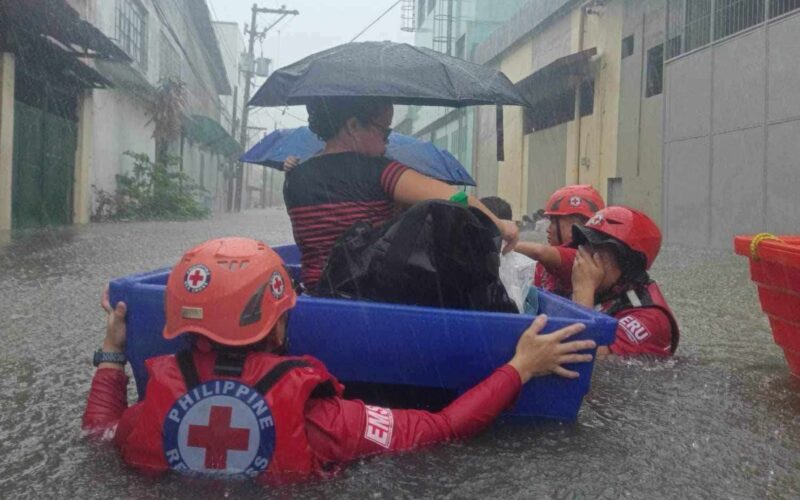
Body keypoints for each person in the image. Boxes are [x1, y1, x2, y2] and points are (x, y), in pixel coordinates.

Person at [83, 237, 596, 483]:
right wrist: (520, 367)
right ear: (278, 321)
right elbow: (443, 428)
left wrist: (112, 354)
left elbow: (98, 433)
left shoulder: (144, 418)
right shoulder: (321, 420)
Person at [283, 97, 518, 290]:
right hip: (371, 301)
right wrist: (500, 224)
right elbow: (456, 199)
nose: (387, 143)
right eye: (384, 131)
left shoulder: (294, 178)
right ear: (353, 126)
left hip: (316, 295)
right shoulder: (380, 171)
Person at [570, 206, 679, 357]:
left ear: (627, 262)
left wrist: (583, 290)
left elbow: (582, 357)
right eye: (585, 244)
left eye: (597, 249)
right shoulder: (606, 291)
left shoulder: (650, 319)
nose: (584, 256)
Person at [515, 185, 605, 297]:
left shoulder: (582, 258)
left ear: (577, 225)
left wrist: (503, 244)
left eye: (553, 222)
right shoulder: (549, 262)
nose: (548, 229)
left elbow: (539, 251)